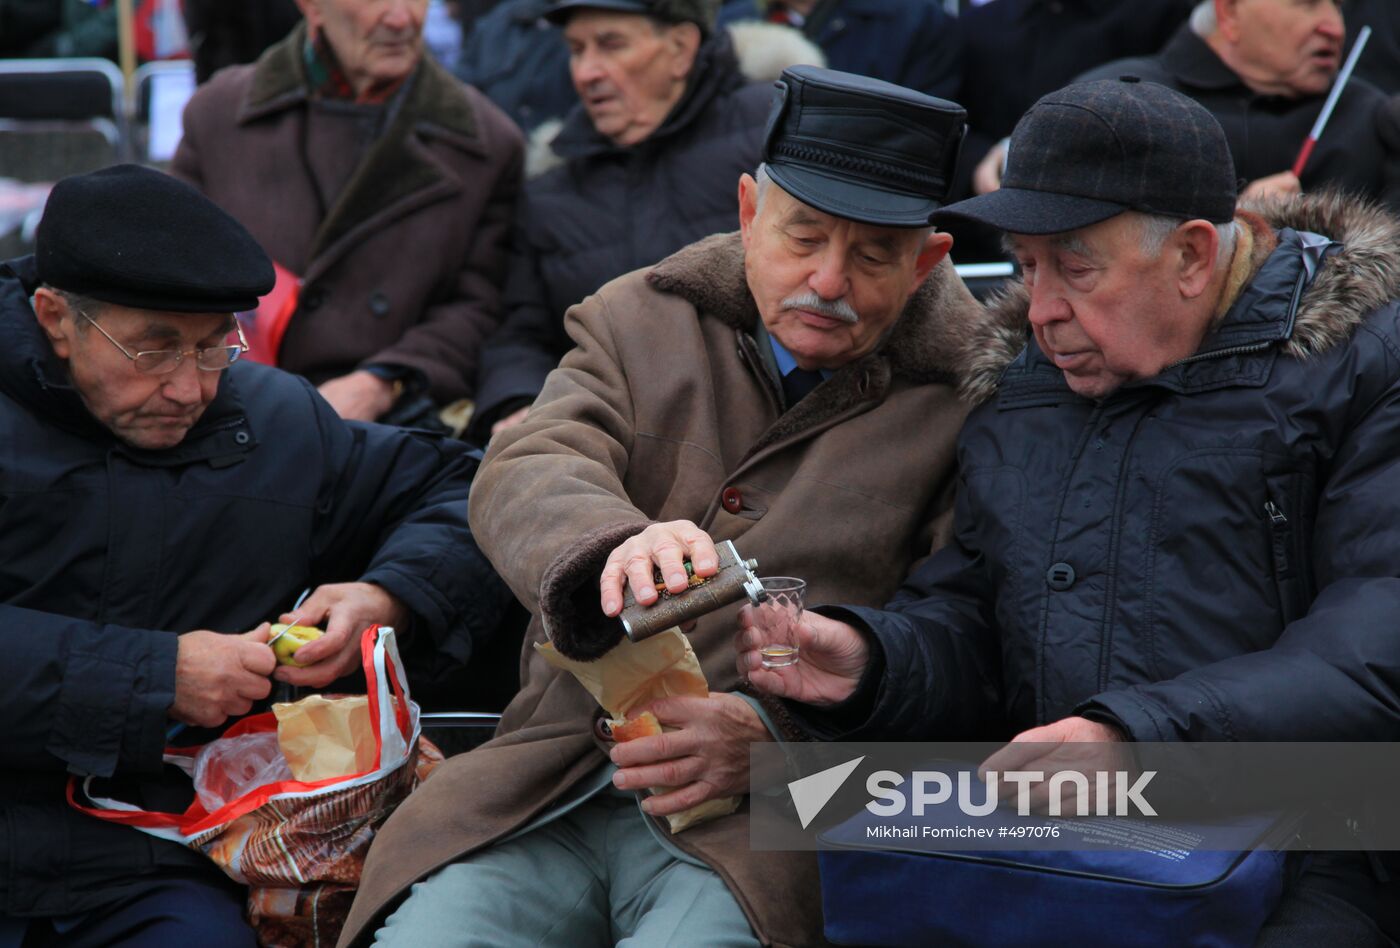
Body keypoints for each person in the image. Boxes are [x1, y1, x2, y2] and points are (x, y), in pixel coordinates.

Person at [340, 66, 992, 947]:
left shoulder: (968, 402)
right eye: (802, 236)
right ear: (748, 210)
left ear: (928, 263)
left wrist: (775, 738)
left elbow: (960, 636)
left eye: (873, 255)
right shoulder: (638, 318)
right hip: (549, 781)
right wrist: (612, 545)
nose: (828, 280)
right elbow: (533, 457)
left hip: (764, 824)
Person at [741, 77, 1400, 943]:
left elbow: (1374, 646)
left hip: (1319, 846)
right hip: (1069, 850)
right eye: (1026, 263)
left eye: (1076, 268)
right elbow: (979, 615)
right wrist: (874, 660)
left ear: (1194, 256)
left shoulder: (1364, 363)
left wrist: (1140, 742)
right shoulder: (1022, 385)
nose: (1041, 309)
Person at [0, 164, 510, 946]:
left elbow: (464, 488)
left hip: (162, 856)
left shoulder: (273, 421)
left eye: (214, 347)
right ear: (55, 317)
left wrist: (387, 594)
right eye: (153, 351)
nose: (189, 389)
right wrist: (154, 678)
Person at [468, 0, 819, 439]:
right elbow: (522, 332)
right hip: (610, 439)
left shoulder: (780, 133)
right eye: (576, 50)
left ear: (680, 49)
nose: (586, 72)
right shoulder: (551, 186)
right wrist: (519, 401)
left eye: (611, 45)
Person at [172, 0, 524, 424]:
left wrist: (382, 381)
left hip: (392, 427)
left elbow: (479, 305)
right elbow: (175, 276)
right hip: (228, 411)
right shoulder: (218, 115)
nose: (401, 18)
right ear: (311, 6)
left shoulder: (486, 143)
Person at [1071, 0, 1399, 209]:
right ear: (1229, 12)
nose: (1334, 27)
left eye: (1338, 6)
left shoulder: (1374, 117)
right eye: (1307, 3)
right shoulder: (1115, 101)